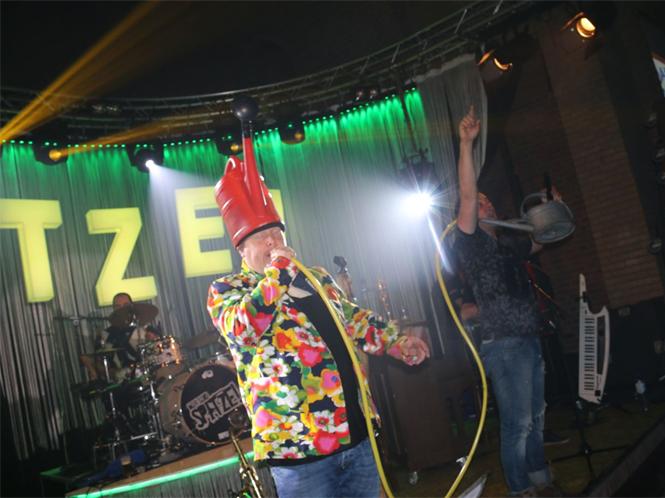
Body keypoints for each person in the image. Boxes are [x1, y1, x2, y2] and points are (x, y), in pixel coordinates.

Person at [206, 139, 430, 498]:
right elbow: (244, 329)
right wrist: (278, 273)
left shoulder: (316, 277)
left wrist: (395, 342)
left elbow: (353, 319)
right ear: (241, 250)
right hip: (299, 452)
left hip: (356, 435)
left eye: (276, 233)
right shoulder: (227, 290)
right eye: (261, 237)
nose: (272, 241)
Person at [452, 106, 560, 497]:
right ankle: (520, 489)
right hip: (503, 344)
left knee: (536, 418)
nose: (488, 205)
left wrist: (554, 210)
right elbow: (466, 193)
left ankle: (540, 480)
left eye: (489, 202)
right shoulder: (472, 243)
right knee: (517, 423)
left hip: (528, 337)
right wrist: (466, 145)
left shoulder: (508, 246)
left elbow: (543, 239)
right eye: (481, 204)